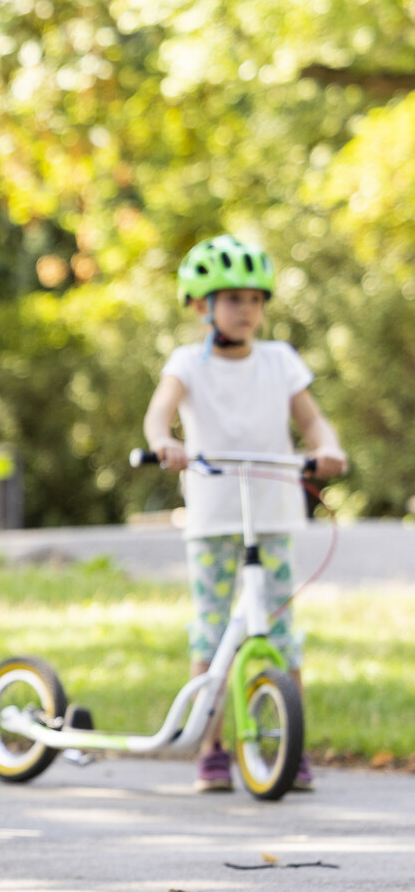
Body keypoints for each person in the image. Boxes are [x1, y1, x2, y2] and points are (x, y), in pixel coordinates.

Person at [143, 234, 345, 793]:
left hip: (274, 512)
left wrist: (328, 448)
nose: (246, 310)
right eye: (232, 299)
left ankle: (286, 746)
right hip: (213, 516)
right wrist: (165, 442)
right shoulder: (187, 362)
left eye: (255, 299)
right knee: (212, 630)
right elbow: (159, 414)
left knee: (280, 632)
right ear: (199, 306)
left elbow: (313, 422)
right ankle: (210, 750)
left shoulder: (280, 361)